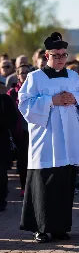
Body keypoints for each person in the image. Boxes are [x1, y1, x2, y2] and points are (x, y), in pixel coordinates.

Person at [18, 32, 79, 243]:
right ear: (46, 55)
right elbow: (23, 103)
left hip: (67, 141)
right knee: (43, 186)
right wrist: (52, 100)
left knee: (64, 185)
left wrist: (74, 97)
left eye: (63, 55)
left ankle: (60, 227)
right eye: (56, 55)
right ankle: (41, 228)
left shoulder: (73, 76)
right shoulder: (34, 77)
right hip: (45, 141)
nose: (60, 59)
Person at [7, 64, 31, 197]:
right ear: (17, 76)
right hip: (19, 132)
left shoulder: (35, 90)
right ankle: (24, 187)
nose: (25, 75)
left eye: (27, 72)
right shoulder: (12, 92)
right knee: (23, 161)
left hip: (35, 130)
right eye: (22, 73)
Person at [0, 93, 18, 211]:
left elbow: (13, 119)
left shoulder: (4, 99)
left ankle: (1, 200)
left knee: (1, 173)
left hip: (2, 142)